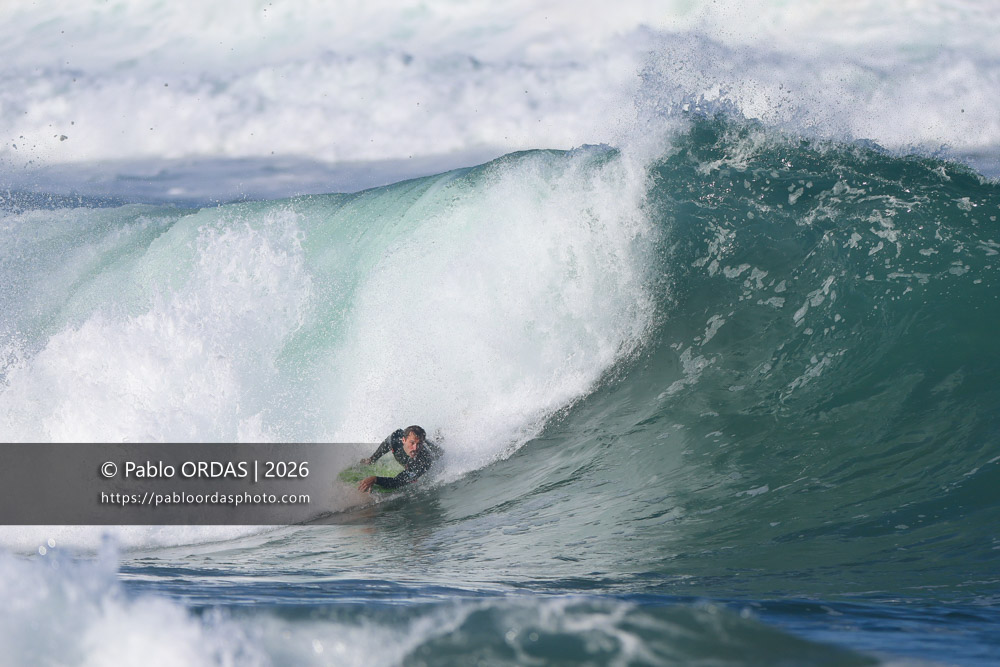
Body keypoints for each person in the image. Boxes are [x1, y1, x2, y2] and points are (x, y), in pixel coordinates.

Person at [357, 425, 442, 492]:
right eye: (412, 443)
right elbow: (386, 443)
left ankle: (438, 438)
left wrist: (376, 479)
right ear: (403, 440)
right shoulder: (396, 438)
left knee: (439, 450)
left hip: (434, 451)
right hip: (420, 444)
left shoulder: (424, 461)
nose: (415, 448)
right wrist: (372, 459)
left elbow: (399, 481)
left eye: (419, 444)